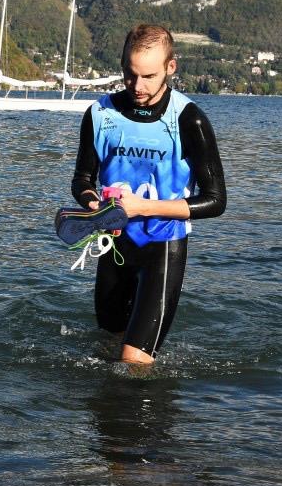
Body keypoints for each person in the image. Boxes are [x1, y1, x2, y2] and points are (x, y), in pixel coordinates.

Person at [70, 23, 225, 365]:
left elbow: (216, 201)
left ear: (171, 67)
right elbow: (82, 179)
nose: (137, 86)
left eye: (149, 76)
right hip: (114, 249)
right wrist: (95, 204)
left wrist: (142, 208)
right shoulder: (100, 114)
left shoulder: (189, 120)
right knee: (106, 351)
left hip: (162, 248)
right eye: (130, 75)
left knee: (133, 360)